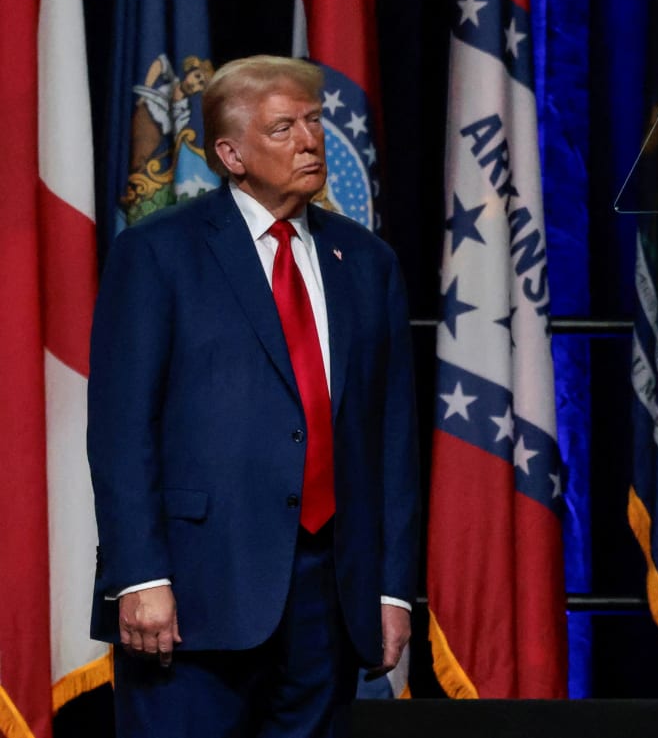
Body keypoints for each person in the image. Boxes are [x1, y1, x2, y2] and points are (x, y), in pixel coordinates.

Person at [87, 55, 419, 737]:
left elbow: (391, 438)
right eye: (284, 127)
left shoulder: (366, 263)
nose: (310, 140)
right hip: (192, 595)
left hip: (330, 599)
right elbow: (122, 429)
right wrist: (140, 574)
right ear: (230, 153)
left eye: (314, 122)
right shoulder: (157, 253)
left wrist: (390, 587)